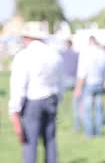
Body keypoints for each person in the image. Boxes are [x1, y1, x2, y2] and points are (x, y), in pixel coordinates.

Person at [8, 30, 63, 163]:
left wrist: (14, 109)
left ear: (28, 38)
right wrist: (58, 99)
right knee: (50, 140)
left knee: (30, 143)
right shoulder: (54, 55)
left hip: (33, 101)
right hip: (51, 99)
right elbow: (60, 82)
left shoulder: (24, 56)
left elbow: (18, 86)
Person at [73, 36, 105, 137]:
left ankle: (89, 133)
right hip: (99, 83)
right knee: (98, 109)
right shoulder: (101, 53)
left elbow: (81, 72)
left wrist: (78, 87)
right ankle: (98, 132)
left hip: (89, 83)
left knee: (87, 110)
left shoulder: (85, 52)